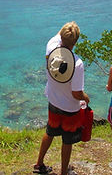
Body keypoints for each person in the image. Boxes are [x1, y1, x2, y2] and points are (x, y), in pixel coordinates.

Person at [34, 21, 90, 175]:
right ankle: (64, 172)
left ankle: (39, 164)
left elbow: (60, 33)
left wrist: (68, 27)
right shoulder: (77, 63)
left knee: (50, 131)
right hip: (70, 108)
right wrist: (86, 98)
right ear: (75, 42)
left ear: (62, 37)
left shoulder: (51, 46)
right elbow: (76, 93)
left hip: (53, 100)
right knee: (67, 141)